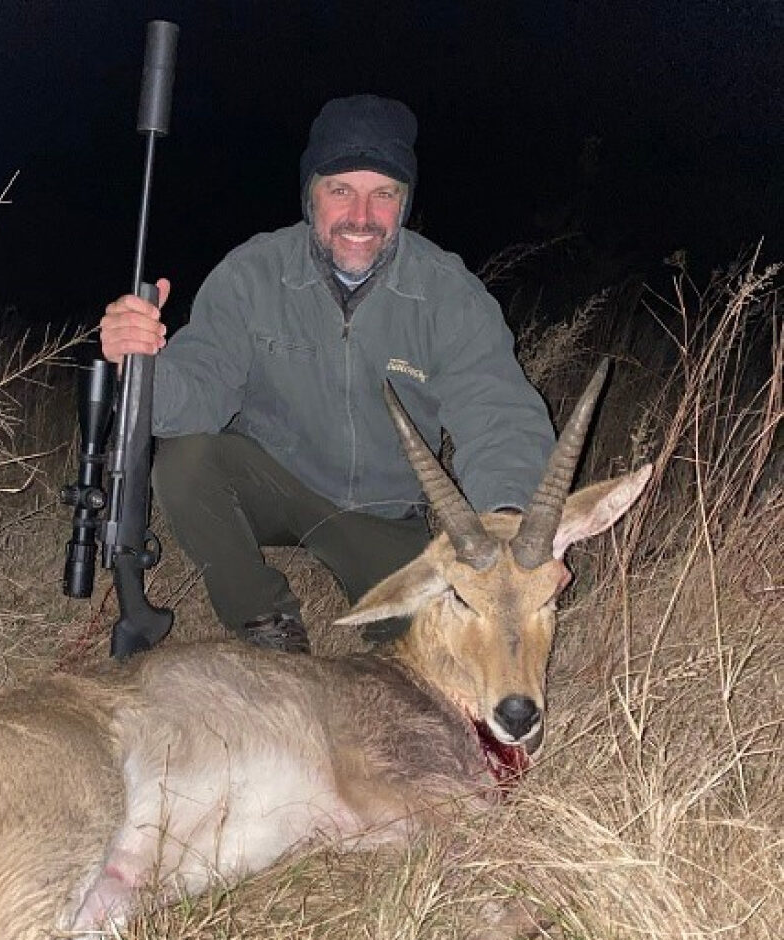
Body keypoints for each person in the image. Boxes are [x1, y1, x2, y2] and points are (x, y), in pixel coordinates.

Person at [99, 94, 554, 654]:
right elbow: (198, 390)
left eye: (382, 195)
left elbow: (499, 414)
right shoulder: (252, 273)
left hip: (380, 513)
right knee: (188, 458)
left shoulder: (445, 292)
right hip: (273, 484)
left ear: (404, 204)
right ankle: (263, 618)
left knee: (437, 654)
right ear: (310, 196)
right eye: (340, 190)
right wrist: (140, 363)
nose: (361, 217)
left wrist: (509, 521)